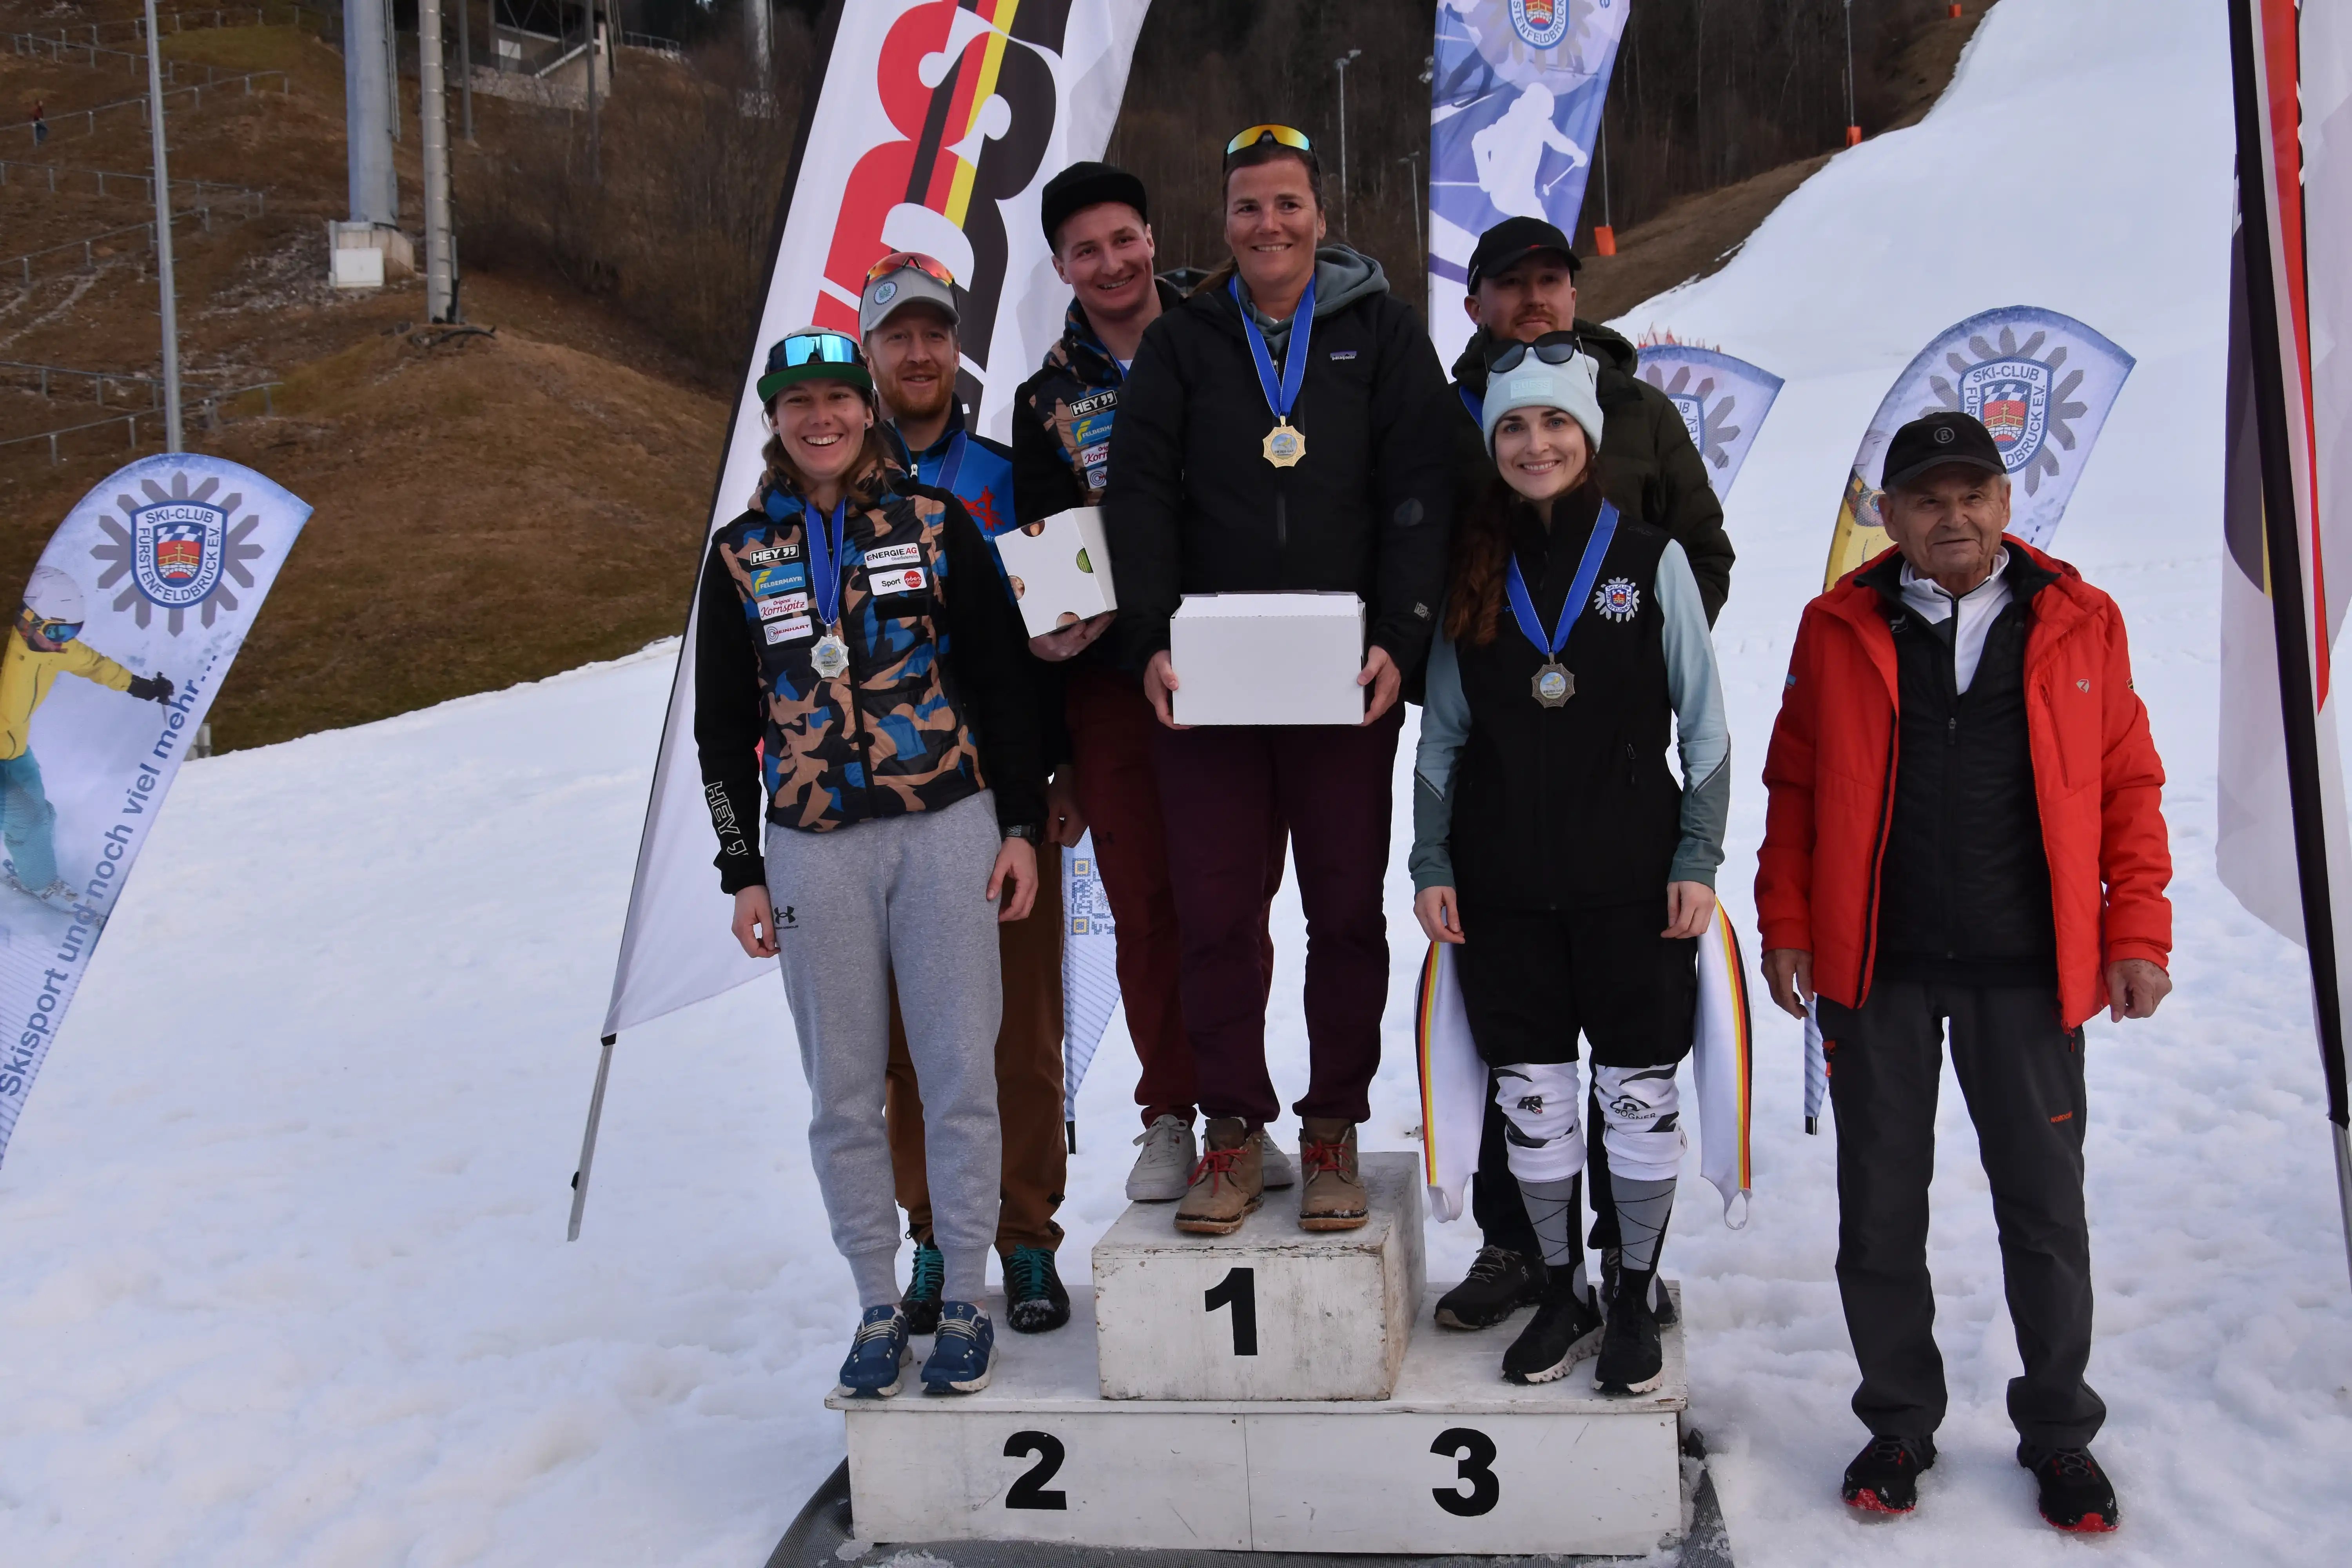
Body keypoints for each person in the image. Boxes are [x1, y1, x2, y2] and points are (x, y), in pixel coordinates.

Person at [1755, 412, 2172, 1532]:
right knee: (1879, 1211)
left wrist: (2137, 932)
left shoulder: (2081, 622)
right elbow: (1793, 790)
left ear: (2005, 502)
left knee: (2045, 1211)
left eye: (1972, 494)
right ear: (1887, 517)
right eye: (1927, 499)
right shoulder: (1838, 625)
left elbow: (2129, 785)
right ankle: (1897, 1420)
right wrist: (1788, 921)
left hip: (2028, 972)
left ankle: (2060, 1433)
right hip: (1875, 968)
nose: (1954, 517)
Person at [1104, 124, 1454, 1235]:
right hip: (1206, 683)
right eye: (1250, 207)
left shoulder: (1384, 334)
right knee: (1215, 910)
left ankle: (1335, 1125)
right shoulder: (1182, 343)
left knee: (1346, 909)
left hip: (1343, 680)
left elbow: (1420, 490)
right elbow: (1142, 498)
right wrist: (1149, 641)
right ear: (1225, 223)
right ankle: (1233, 1131)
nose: (1271, 226)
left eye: (1289, 205)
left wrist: (1403, 631)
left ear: (1320, 214)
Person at [695, 328, 1045, 1399]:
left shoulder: (938, 527)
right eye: (798, 404)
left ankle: (969, 1301)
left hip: (946, 829)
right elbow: (719, 731)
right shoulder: (743, 553)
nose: (821, 420)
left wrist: (1021, 825)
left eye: (838, 399)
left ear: (865, 408)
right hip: (812, 850)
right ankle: (878, 1304)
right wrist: (742, 865)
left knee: (957, 1077)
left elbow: (1005, 686)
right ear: (777, 421)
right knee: (841, 1094)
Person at [1435, 214, 1737, 1334]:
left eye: (1551, 280)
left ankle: (1630, 1261)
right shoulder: (1446, 423)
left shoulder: (1644, 412)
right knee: (1523, 1050)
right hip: (1504, 778)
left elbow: (1704, 553)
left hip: (1617, 779)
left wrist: (1639, 649)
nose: (1534, 299)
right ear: (1475, 304)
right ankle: (1520, 1252)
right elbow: (1429, 568)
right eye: (1509, 285)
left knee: (1628, 1055)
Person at [1011, 160, 1295, 1207]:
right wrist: (1055, 700)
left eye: (1124, 239)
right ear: (1061, 269)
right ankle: (1171, 1113)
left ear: (1150, 233)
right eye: (1087, 250)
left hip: (1239, 667)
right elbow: (1046, 580)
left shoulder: (1237, 337)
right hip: (1116, 689)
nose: (1113, 262)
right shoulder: (1046, 399)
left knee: (1237, 902)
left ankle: (1241, 1108)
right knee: (1148, 909)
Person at [859, 253, 1075, 1337]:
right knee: (907, 1043)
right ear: (870, 352)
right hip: (884, 817)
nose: (919, 352)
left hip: (1001, 803)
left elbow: (1063, 645)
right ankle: (936, 1236)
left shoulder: (1006, 474)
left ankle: (1027, 1239)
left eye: (934, 333)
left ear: (957, 349)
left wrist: (1061, 772)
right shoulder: (831, 492)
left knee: (1019, 1036)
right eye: (898, 335)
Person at [1, 567, 175, 908]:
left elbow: (95, 665)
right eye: (58, 630)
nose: (63, 640)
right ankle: (40, 884)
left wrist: (143, 687)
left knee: (41, 815)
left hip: (15, 748)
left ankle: (35, 873)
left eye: (72, 631)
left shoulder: (55, 649)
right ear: (29, 621)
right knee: (29, 818)